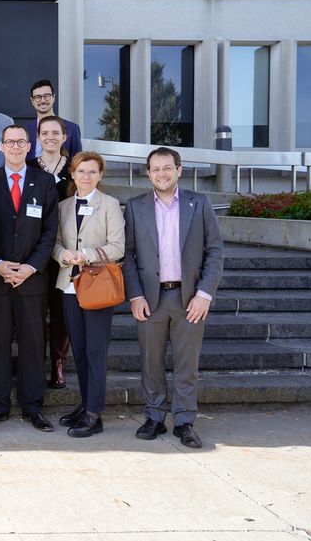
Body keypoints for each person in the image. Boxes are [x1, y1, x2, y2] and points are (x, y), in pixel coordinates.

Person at [123, 147, 224, 449]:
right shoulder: (135, 206)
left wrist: (204, 294)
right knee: (151, 363)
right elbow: (127, 255)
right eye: (155, 169)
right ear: (148, 173)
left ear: (179, 170)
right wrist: (134, 295)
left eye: (167, 168)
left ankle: (184, 422)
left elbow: (215, 251)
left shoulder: (200, 203)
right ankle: (154, 417)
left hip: (189, 297)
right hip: (150, 299)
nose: (162, 174)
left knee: (186, 365)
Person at [0, 125, 59, 433]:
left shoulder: (45, 181)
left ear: (29, 146)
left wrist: (31, 267)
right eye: (9, 142)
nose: (14, 146)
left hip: (33, 280)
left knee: (34, 344)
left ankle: (32, 406)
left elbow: (51, 230)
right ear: (1, 146)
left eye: (20, 142)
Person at [52, 152, 124, 438]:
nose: (86, 176)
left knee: (95, 350)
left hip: (96, 286)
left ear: (100, 175)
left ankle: (95, 413)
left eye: (92, 172)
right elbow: (55, 242)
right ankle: (85, 404)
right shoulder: (64, 206)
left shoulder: (110, 205)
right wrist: (64, 255)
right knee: (79, 350)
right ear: (73, 173)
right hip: (68, 286)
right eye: (81, 171)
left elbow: (118, 245)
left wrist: (87, 254)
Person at [27, 115, 73, 389]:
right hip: (34, 249)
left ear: (64, 137)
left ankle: (58, 363)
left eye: (56, 132)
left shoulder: (75, 168)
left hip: (65, 249)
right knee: (33, 312)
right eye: (45, 132)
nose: (50, 137)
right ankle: (31, 363)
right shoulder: (30, 166)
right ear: (39, 136)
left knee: (60, 312)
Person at [28, 79, 83, 160]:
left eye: (46, 96)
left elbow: (78, 162)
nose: (43, 100)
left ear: (53, 98)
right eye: (38, 97)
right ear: (32, 101)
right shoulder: (26, 130)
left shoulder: (72, 129)